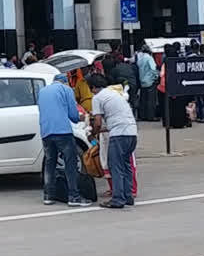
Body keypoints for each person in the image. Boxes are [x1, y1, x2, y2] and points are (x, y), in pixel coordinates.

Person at [36, 74, 91, 207]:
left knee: (50, 163)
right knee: (70, 162)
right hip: (62, 131)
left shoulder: (42, 91)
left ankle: (48, 195)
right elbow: (73, 115)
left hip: (46, 132)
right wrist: (82, 117)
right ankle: (74, 196)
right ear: (66, 82)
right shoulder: (66, 90)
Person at [88, 73, 138, 209]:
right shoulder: (114, 94)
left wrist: (93, 134)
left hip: (119, 134)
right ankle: (128, 196)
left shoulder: (97, 98)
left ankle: (118, 199)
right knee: (126, 165)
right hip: (132, 132)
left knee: (115, 166)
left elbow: (97, 122)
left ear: (93, 87)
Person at [136, 45, 159, 121]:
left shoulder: (140, 59)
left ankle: (143, 115)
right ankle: (151, 116)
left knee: (143, 100)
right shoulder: (149, 58)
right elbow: (153, 69)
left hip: (142, 81)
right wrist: (156, 76)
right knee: (151, 100)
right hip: (150, 81)